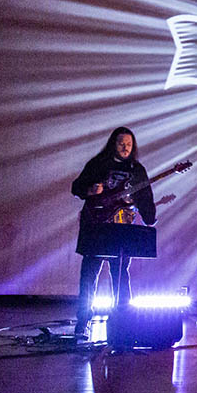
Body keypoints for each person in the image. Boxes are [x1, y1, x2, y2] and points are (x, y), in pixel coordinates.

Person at [71, 127, 155, 337]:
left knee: (120, 274)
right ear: (113, 144)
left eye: (129, 143)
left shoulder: (137, 170)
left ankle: (123, 321)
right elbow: (77, 187)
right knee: (89, 274)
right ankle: (83, 323)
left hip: (121, 228)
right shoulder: (98, 164)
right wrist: (90, 190)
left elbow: (145, 196)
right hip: (96, 226)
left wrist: (149, 218)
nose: (125, 147)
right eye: (121, 143)